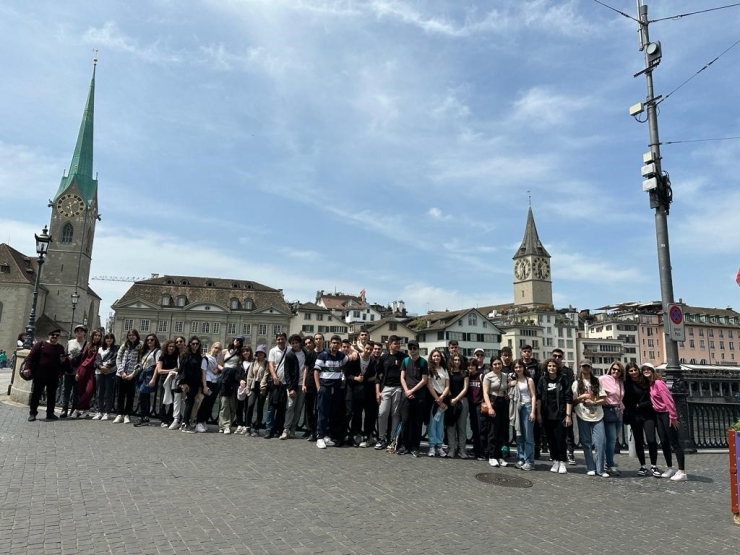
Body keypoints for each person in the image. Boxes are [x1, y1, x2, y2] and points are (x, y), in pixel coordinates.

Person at [643, 363, 688, 481]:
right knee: (663, 441)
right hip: (658, 415)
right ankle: (669, 468)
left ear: (653, 371)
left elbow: (668, 400)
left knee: (674, 442)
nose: (646, 371)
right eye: (644, 370)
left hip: (667, 414)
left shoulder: (658, 383)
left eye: (648, 369)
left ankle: (682, 471)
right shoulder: (651, 384)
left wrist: (673, 416)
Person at [622, 361, 660, 476]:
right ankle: (642, 466)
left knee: (651, 440)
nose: (634, 372)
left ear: (638, 370)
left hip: (648, 414)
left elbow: (652, 397)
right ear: (628, 372)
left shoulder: (646, 381)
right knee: (638, 441)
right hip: (634, 416)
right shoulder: (626, 384)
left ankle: (653, 465)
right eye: (631, 371)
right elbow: (624, 400)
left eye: (635, 370)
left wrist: (641, 405)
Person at [536, 358, 573, 474]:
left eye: (554, 366)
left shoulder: (562, 379)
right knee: (550, 438)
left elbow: (568, 397)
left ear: (557, 368)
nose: (551, 368)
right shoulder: (543, 380)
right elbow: (539, 398)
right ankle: (555, 460)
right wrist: (538, 414)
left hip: (560, 414)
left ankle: (562, 461)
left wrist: (568, 415)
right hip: (547, 414)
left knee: (560, 439)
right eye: (549, 366)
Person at [572, 361, 608, 477]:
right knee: (586, 442)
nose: (586, 368)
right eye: (584, 366)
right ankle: (590, 467)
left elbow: (604, 399)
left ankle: (600, 468)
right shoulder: (576, 383)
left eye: (588, 366)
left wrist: (594, 402)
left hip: (597, 415)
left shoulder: (597, 381)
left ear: (591, 368)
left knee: (600, 442)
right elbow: (573, 401)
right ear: (580, 367)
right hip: (583, 415)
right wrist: (582, 397)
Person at [23, 329, 65, 421]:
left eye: (57, 335)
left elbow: (63, 362)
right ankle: (32, 413)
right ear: (48, 335)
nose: (54, 336)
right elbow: (30, 357)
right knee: (36, 394)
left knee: (52, 395)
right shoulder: (40, 345)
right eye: (52, 335)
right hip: (40, 374)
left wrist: (63, 362)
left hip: (53, 375)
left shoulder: (60, 348)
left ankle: (50, 413)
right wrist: (27, 368)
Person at [314, 335, 348, 449]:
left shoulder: (341, 355)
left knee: (331, 413)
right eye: (334, 343)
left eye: (338, 343)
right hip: (325, 387)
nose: (335, 345)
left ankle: (327, 436)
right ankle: (320, 437)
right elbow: (316, 372)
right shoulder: (323, 355)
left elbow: (351, 357)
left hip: (336, 388)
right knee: (322, 413)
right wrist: (318, 386)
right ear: (330, 343)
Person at [374, 335, 406, 451]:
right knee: (382, 413)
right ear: (390, 345)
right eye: (395, 343)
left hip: (398, 388)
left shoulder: (404, 357)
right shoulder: (384, 358)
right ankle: (381, 438)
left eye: (399, 343)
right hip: (386, 388)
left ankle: (393, 439)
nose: (397, 345)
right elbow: (378, 376)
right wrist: (378, 392)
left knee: (395, 415)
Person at [483, 356, 509, 467]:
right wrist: (490, 407)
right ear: (491, 365)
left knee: (502, 430)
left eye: (499, 364)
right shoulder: (488, 376)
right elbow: (485, 393)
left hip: (503, 402)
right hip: (493, 401)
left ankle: (499, 456)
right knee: (493, 431)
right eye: (495, 364)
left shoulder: (505, 376)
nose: (497, 366)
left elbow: (507, 387)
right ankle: (492, 455)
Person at [510, 358, 536, 471]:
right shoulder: (513, 381)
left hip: (527, 407)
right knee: (519, 435)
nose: (518, 369)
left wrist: (533, 411)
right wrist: (510, 384)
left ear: (523, 368)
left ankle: (529, 461)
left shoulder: (528, 380)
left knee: (528, 436)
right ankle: (521, 458)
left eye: (520, 367)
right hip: (516, 408)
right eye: (516, 367)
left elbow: (533, 396)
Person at [599, 362, 625, 476]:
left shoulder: (620, 382)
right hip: (608, 411)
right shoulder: (603, 379)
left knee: (612, 441)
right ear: (610, 369)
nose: (616, 372)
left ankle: (607, 463)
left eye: (619, 370)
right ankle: (608, 464)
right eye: (614, 369)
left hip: (618, 412)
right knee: (611, 440)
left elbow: (620, 397)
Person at [551, 348, 576, 464]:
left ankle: (570, 452)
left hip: (566, 404)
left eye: (559, 356)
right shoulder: (549, 370)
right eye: (555, 356)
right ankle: (555, 452)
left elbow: (570, 389)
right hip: (552, 405)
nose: (557, 358)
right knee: (554, 430)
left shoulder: (568, 371)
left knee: (568, 429)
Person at [72, 329, 103, 418]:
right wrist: (78, 372)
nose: (97, 337)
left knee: (90, 390)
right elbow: (82, 359)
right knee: (82, 391)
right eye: (96, 335)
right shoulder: (88, 345)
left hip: (94, 370)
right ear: (92, 336)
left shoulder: (101, 347)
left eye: (99, 335)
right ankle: (86, 410)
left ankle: (77, 409)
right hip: (84, 368)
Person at [281, 334, 306, 440]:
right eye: (293, 343)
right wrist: (291, 388)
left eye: (296, 342)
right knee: (290, 407)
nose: (295, 345)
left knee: (298, 408)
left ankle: (293, 429)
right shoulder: (289, 355)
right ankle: (286, 429)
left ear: (300, 343)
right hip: (293, 385)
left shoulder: (305, 353)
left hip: (303, 385)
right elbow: (287, 372)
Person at [114, 329, 142, 424]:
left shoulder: (140, 346)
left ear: (137, 336)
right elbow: (118, 358)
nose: (131, 337)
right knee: (120, 395)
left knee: (130, 395)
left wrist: (133, 374)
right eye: (129, 335)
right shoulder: (124, 345)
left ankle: (127, 414)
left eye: (133, 335)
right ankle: (119, 414)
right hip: (121, 374)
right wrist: (121, 372)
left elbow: (141, 362)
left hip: (132, 375)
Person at [133, 334, 161, 427]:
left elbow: (157, 366)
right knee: (145, 396)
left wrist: (154, 378)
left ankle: (142, 415)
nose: (149, 341)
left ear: (155, 341)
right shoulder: (146, 351)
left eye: (152, 340)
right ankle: (145, 416)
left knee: (142, 395)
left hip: (149, 375)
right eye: (148, 340)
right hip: (143, 374)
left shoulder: (157, 351)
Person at [218, 336, 244, 434]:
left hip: (234, 378)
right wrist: (224, 370)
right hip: (225, 377)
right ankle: (224, 425)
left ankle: (227, 425)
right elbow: (219, 364)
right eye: (236, 340)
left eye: (240, 341)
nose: (237, 342)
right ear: (233, 340)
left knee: (233, 404)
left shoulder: (240, 353)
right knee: (224, 403)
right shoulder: (225, 351)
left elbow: (240, 365)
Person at [426, 348, 449, 457]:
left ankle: (439, 445)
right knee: (432, 423)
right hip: (433, 399)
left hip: (442, 399)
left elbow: (447, 385)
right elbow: (429, 385)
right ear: (431, 357)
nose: (436, 358)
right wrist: (437, 399)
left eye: (438, 356)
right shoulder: (429, 369)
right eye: (434, 356)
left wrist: (442, 397)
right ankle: (431, 446)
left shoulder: (444, 369)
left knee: (440, 423)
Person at [445, 354, 469, 458]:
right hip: (451, 401)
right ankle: (451, 448)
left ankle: (462, 449)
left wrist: (456, 399)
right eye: (455, 359)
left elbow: (465, 388)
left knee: (462, 426)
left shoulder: (465, 373)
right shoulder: (448, 372)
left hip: (462, 400)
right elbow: (447, 386)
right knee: (451, 426)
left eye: (459, 360)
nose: (457, 361)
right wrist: (451, 397)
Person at [60, 324, 87, 418]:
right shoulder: (70, 342)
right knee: (65, 390)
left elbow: (86, 359)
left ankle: (74, 409)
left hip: (79, 372)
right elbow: (65, 354)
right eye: (77, 331)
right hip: (69, 370)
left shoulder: (87, 344)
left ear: (84, 333)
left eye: (81, 331)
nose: (79, 332)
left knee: (76, 392)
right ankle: (64, 409)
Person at [265, 333, 288, 439]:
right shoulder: (273, 351)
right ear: (276, 341)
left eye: (282, 339)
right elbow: (271, 364)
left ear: (285, 340)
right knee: (271, 407)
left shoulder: (290, 350)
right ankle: (269, 429)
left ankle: (278, 429)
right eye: (278, 339)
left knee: (282, 408)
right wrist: (274, 377)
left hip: (285, 383)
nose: (280, 341)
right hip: (275, 383)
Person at [178, 336, 203, 432]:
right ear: (190, 344)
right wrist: (183, 382)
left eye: (197, 344)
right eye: (193, 344)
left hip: (196, 382)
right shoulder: (186, 355)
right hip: (188, 382)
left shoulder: (199, 356)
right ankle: (185, 423)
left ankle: (186, 422)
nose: (195, 345)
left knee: (191, 401)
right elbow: (182, 370)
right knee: (189, 402)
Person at [157, 339, 183, 429]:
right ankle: (163, 419)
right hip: (164, 379)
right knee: (163, 400)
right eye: (170, 346)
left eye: (173, 347)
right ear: (166, 347)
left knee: (173, 400)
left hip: (174, 379)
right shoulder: (162, 356)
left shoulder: (176, 356)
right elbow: (159, 370)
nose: (171, 348)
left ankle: (170, 418)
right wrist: (171, 371)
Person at [342, 339, 365, 446]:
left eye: (347, 347)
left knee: (352, 412)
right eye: (344, 347)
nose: (345, 349)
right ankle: (342, 434)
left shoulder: (353, 358)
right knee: (342, 413)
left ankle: (352, 434)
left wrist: (355, 378)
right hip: (337, 388)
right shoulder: (337, 356)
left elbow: (350, 373)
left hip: (350, 388)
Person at [92, 333, 118, 421]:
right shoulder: (100, 349)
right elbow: (97, 360)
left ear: (113, 339)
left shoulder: (116, 348)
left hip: (110, 372)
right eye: (107, 338)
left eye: (111, 338)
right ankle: (100, 411)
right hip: (99, 372)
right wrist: (100, 367)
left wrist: (107, 367)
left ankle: (107, 412)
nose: (109, 340)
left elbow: (115, 359)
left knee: (108, 392)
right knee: (100, 392)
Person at [244, 344, 268, 436]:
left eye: (262, 352)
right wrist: (248, 389)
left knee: (260, 408)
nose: (260, 354)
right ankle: (247, 426)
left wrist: (263, 386)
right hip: (253, 386)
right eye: (259, 352)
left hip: (262, 387)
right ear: (256, 354)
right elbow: (249, 376)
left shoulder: (266, 363)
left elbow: (266, 375)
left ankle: (257, 428)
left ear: (264, 354)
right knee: (250, 405)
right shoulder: (253, 363)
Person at [358, 341, 378, 448]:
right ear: (364, 348)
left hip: (369, 391)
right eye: (367, 349)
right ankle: (356, 435)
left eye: (371, 349)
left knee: (369, 415)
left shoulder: (373, 361)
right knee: (356, 414)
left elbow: (375, 375)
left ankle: (367, 435)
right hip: (356, 390)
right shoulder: (356, 358)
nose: (369, 351)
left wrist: (371, 378)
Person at [467, 357, 486, 460]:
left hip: (479, 405)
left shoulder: (481, 376)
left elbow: (485, 390)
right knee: (474, 428)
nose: (471, 367)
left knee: (481, 429)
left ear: (476, 366)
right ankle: (476, 449)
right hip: (471, 405)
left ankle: (481, 451)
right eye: (469, 365)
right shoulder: (467, 377)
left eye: (473, 365)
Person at [302, 336, 319, 441]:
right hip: (310, 383)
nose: (308, 345)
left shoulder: (323, 353)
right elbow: (306, 369)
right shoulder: (309, 354)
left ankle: (316, 430)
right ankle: (310, 430)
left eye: (309, 343)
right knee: (309, 408)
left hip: (320, 383)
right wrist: (304, 383)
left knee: (317, 409)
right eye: (306, 343)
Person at [235, 346, 254, 434]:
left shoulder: (253, 362)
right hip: (240, 387)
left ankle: (247, 424)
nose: (245, 352)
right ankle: (239, 424)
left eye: (247, 351)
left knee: (248, 406)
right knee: (239, 406)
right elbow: (237, 374)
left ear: (250, 352)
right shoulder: (240, 363)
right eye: (243, 351)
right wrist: (240, 380)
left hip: (250, 387)